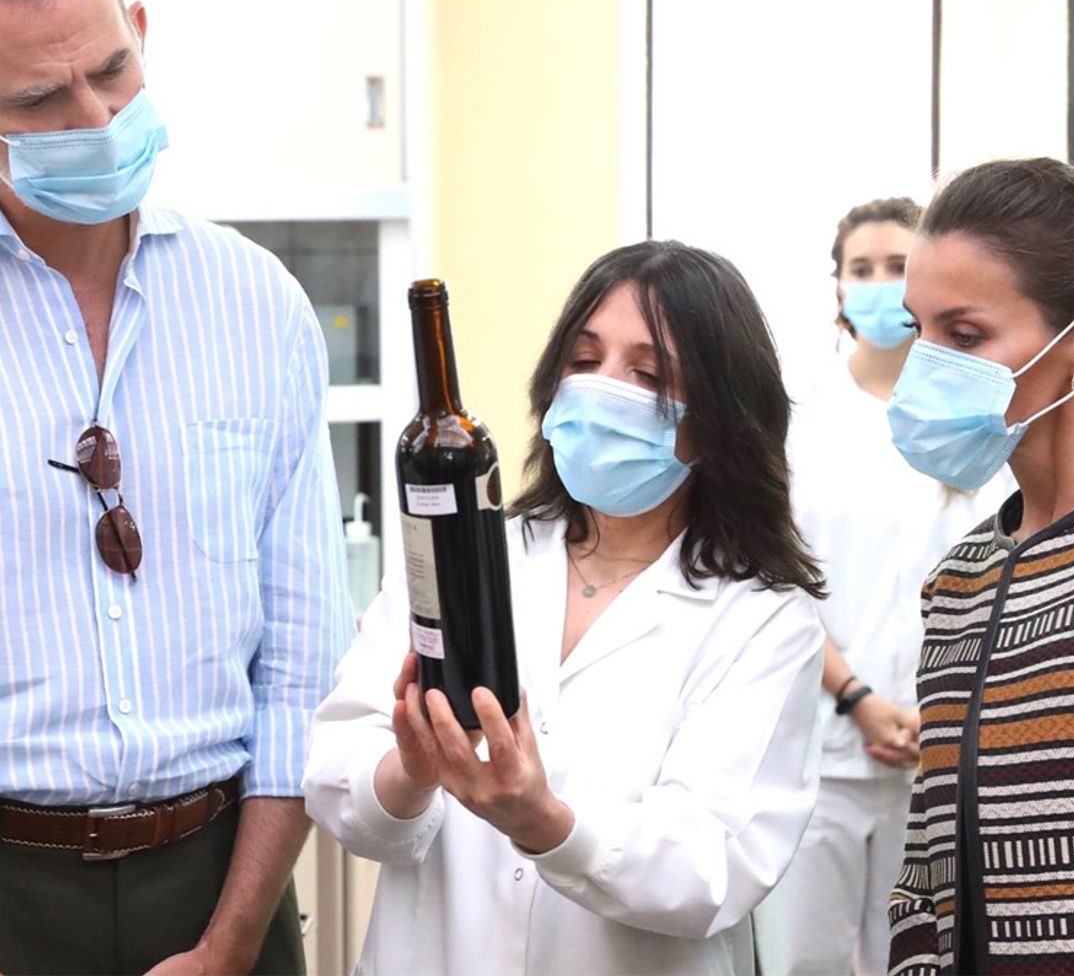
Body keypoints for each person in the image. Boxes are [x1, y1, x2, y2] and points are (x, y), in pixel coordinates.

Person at [304, 239, 827, 975]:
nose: (601, 389)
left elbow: (715, 868)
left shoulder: (761, 619)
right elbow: (336, 772)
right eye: (585, 362)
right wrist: (409, 771)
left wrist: (546, 824)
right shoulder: (467, 552)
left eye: (646, 374)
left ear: (718, 423)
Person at [0, 0, 353, 973]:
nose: (96, 121)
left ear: (140, 27)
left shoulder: (260, 305)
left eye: (110, 70)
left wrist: (232, 940)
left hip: (223, 882)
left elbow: (301, 667)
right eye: (40, 100)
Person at [752, 199, 1011, 975]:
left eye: (897, 267)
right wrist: (858, 696)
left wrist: (935, 715)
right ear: (837, 289)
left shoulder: (974, 422)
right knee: (807, 963)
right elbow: (773, 576)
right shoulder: (797, 421)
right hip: (818, 755)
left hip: (940, 758)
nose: (878, 284)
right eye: (860, 269)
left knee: (926, 958)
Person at [886, 157, 1074, 975]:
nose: (926, 365)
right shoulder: (960, 580)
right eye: (915, 331)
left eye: (964, 336)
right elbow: (928, 859)